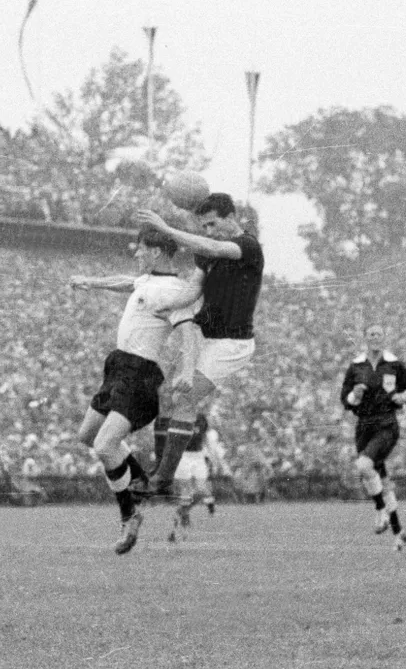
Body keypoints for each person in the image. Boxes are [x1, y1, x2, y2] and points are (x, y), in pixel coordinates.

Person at [70, 229, 201, 554]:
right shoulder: (146, 281)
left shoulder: (176, 291)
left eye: (141, 249)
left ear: (156, 252)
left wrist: (186, 370)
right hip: (117, 368)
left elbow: (187, 332)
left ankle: (130, 513)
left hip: (140, 373)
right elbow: (124, 281)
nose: (137, 254)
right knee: (87, 436)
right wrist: (92, 281)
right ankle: (142, 480)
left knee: (105, 445)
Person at [132, 192, 264, 500]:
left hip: (231, 342)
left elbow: (215, 246)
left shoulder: (248, 246)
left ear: (231, 218)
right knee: (177, 395)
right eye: (203, 226)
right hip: (204, 334)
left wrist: (166, 230)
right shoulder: (207, 252)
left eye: (212, 224)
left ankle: (162, 478)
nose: (208, 231)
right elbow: (193, 288)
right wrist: (169, 304)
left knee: (187, 398)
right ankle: (163, 476)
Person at [340, 324, 406, 551]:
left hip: (386, 424)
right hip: (363, 425)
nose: (374, 337)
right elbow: (345, 399)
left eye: (378, 334)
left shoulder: (394, 364)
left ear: (383, 338)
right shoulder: (356, 367)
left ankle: (380, 511)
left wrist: (403, 396)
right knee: (380, 479)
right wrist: (356, 394)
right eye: (370, 333)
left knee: (364, 465)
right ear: (365, 338)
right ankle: (399, 533)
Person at [165, 412, 231, 543]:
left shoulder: (201, 418)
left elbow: (206, 440)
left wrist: (216, 461)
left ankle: (180, 514)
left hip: (198, 457)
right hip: (183, 456)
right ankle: (177, 532)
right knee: (185, 494)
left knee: (201, 490)